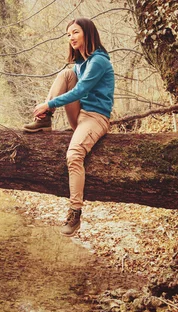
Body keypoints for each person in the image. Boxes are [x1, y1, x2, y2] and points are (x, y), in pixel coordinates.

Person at [23, 18, 114, 237]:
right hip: (80, 115)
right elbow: (75, 86)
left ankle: (75, 212)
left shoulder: (99, 61)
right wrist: (49, 108)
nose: (71, 37)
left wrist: (49, 103)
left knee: (74, 156)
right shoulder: (80, 64)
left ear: (88, 33)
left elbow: (81, 91)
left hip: (95, 118)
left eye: (75, 32)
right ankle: (45, 120)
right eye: (68, 34)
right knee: (66, 74)